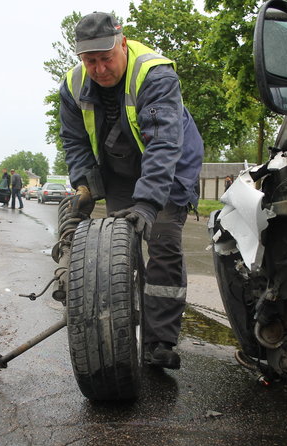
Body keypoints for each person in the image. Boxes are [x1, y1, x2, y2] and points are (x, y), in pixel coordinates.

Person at [59, 12, 204, 369]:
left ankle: (159, 342)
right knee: (117, 247)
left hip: (169, 167)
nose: (99, 69)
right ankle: (122, 326)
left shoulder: (155, 74)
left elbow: (164, 144)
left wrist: (147, 204)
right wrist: (84, 188)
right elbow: (75, 142)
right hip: (121, 169)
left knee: (163, 243)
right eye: (90, 61)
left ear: (122, 43)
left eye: (106, 58)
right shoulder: (73, 85)